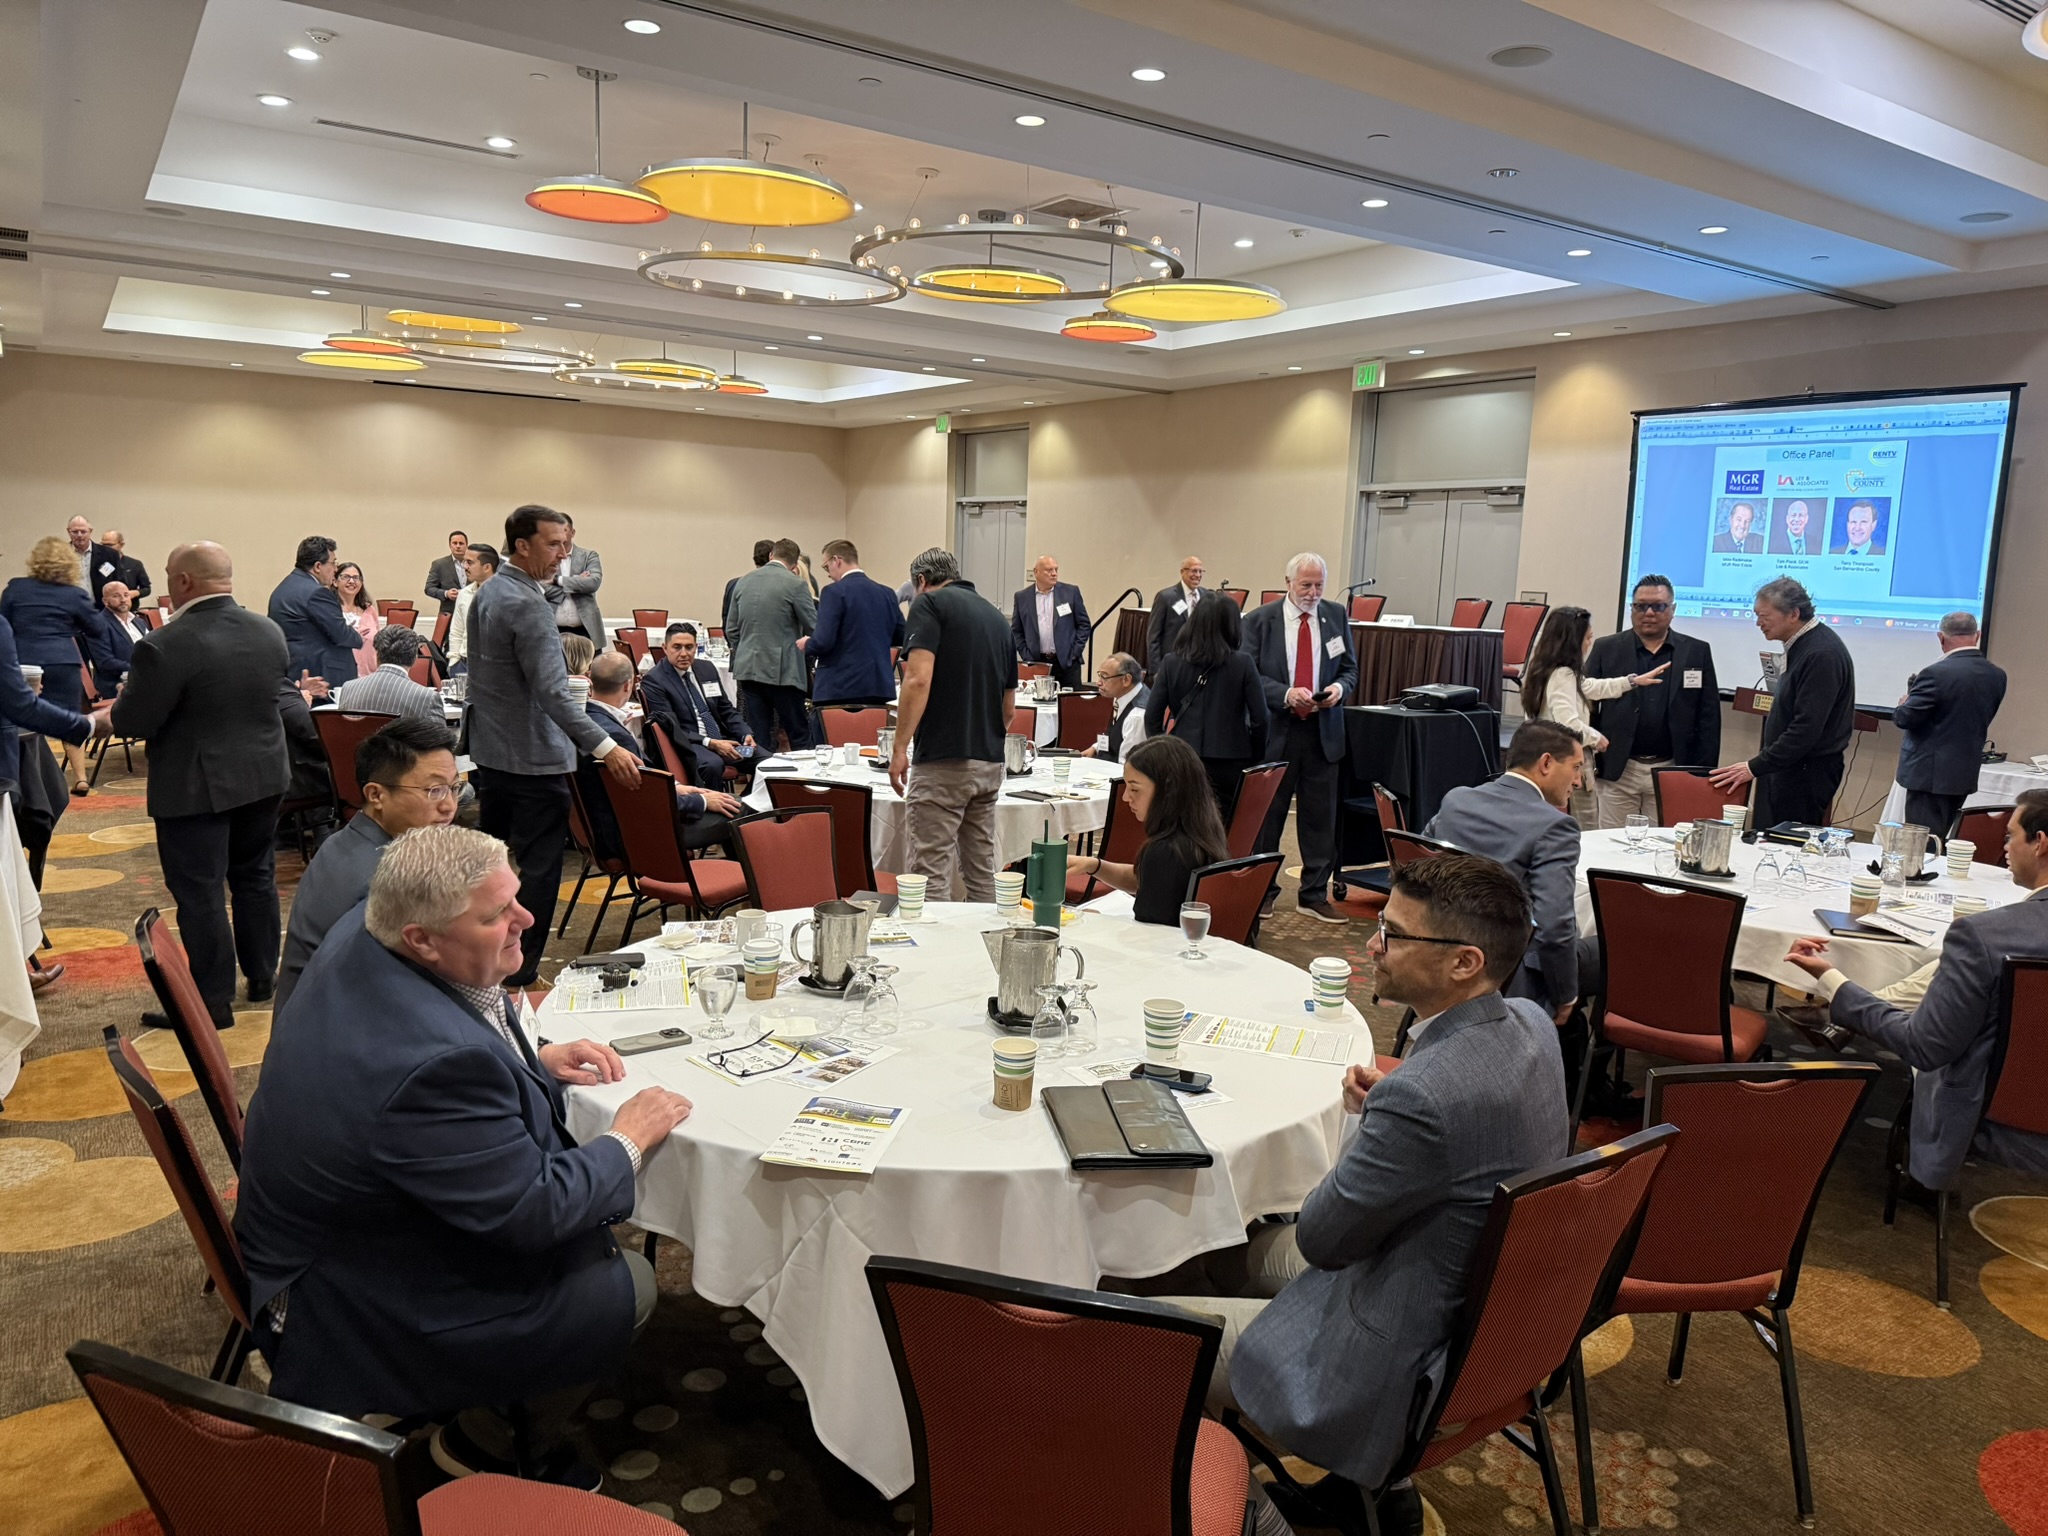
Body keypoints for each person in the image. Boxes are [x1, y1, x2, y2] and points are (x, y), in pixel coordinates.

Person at [234, 825, 694, 1485]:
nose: (526, 919)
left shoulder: (368, 928)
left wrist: (532, 1062)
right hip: (343, 1298)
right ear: (422, 937)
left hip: (324, 1229)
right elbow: (536, 1209)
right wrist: (629, 1136)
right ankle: (482, 1444)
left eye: (515, 898)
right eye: (496, 914)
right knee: (624, 1284)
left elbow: (449, 1049)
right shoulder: (436, 1066)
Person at [1162, 853, 1566, 1536]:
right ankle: (1372, 1496)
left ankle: (1252, 1519)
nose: (1372, 946)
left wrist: (1374, 1121)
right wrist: (1395, 1115)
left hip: (1390, 1355)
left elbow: (1324, 1238)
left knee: (1141, 1336)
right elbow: (1462, 1125)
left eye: (1395, 935)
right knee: (1229, 1245)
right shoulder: (1531, 1024)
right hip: (1491, 1327)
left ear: (1464, 962)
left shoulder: (1424, 1099)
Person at [1783, 789, 2048, 1195]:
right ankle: (1862, 1006)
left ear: (2040, 842)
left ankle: (1850, 1007)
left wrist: (1831, 980)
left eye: (2010, 835)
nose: (2005, 847)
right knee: (1941, 971)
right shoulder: (1990, 937)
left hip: (1994, 1115)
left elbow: (1924, 1047)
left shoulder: (1984, 936)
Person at [112, 542, 291, 1025]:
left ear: (184, 581)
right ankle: (262, 977)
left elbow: (134, 721)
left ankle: (212, 1003)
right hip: (265, 774)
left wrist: (125, 697)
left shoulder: (163, 644)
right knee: (255, 876)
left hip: (195, 785)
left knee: (201, 892)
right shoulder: (268, 630)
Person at [469, 504, 641, 988]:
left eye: (566, 543)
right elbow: (553, 693)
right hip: (532, 759)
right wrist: (607, 747)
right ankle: (520, 970)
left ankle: (485, 959)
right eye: (553, 544)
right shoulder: (527, 602)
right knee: (539, 872)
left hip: (492, 750)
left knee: (495, 869)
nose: (564, 554)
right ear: (521, 546)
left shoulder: (489, 590)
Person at [273, 716, 459, 1018]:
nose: (449, 805)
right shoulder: (391, 881)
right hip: (340, 1031)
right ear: (376, 795)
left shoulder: (342, 841)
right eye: (433, 790)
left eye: (454, 788)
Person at [1425, 720, 1592, 1029]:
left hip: (1437, 954)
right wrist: (1566, 996)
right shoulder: (1555, 826)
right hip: (1507, 974)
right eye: (1576, 767)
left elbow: (1418, 870)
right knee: (1603, 954)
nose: (1579, 781)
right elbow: (1554, 927)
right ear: (1546, 763)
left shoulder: (1456, 800)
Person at [889, 547, 1016, 901]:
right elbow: (1009, 708)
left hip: (942, 760)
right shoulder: (997, 618)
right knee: (981, 872)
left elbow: (917, 680)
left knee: (929, 875)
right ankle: (985, 937)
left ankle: (935, 940)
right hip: (989, 761)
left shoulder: (928, 605)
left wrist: (899, 748)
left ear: (921, 581)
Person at [1243, 553, 1357, 924]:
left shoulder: (1335, 616)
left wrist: (1339, 689)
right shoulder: (1260, 620)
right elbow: (1248, 676)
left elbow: (1350, 670)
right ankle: (1262, 891)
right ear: (1288, 583)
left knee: (1320, 818)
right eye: (1305, 585)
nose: (1312, 593)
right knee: (1268, 817)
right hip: (1279, 730)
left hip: (1323, 732)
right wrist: (1286, 694)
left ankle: (1313, 894)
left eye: (1319, 585)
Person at [1709, 577, 1854, 828]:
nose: (1758, 623)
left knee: (1791, 842)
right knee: (1779, 837)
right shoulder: (1802, 645)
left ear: (1793, 614)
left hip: (1806, 772)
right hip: (1792, 768)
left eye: (1764, 616)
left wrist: (1754, 767)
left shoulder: (1821, 653)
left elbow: (1805, 728)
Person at [1583, 574, 1722, 828]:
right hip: (1618, 769)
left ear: (1673, 609)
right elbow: (1587, 704)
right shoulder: (1607, 648)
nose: (1648, 613)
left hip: (1672, 768)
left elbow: (1709, 715)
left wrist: (1702, 773)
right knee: (1610, 842)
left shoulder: (1696, 651)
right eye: (1641, 606)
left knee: (1663, 843)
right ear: (1632, 609)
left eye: (1658, 606)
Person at [581, 653, 741, 855]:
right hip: (636, 833)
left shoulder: (586, 722)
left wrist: (677, 788)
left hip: (606, 826)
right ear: (628, 685)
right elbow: (645, 797)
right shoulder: (613, 736)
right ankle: (740, 874)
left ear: (590, 679)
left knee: (728, 802)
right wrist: (701, 802)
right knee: (740, 809)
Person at [1519, 606, 1666, 824]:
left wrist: (1632, 681)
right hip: (1566, 761)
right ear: (1573, 642)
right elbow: (1567, 724)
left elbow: (1591, 687)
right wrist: (1596, 738)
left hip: (1550, 759)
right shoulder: (1562, 674)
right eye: (1588, 638)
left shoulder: (1547, 670)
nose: (1589, 643)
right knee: (1584, 825)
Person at [1068, 736, 1228, 925]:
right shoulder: (1203, 830)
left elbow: (1148, 932)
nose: (1126, 797)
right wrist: (1093, 865)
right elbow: (1142, 879)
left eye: (1134, 789)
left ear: (1168, 790)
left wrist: (1099, 921)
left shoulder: (1166, 851)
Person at [2, 537, 118, 794]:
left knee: (22, 720)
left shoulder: (16, 588)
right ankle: (80, 778)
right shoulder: (74, 594)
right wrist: (69, 626)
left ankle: (25, 784)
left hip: (24, 662)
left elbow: (4, 624)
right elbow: (97, 629)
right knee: (68, 719)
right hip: (62, 662)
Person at [1146, 595, 1268, 815]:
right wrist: (1255, 753)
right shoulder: (1243, 663)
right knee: (1226, 824)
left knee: (1184, 820)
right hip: (1232, 757)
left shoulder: (1171, 662)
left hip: (1183, 756)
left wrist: (1163, 752)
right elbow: (1261, 718)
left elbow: (1152, 716)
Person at [1893, 613, 2005, 837]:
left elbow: (1906, 718)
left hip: (1928, 776)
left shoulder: (1935, 673)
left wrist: (1903, 704)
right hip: (1963, 772)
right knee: (1942, 836)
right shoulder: (1997, 675)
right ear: (1978, 635)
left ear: (1941, 637)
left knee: (1922, 841)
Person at [728, 537, 817, 750]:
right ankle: (801, 773)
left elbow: (731, 629)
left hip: (749, 670)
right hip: (784, 672)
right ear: (795, 564)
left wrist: (745, 650)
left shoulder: (743, 582)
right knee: (798, 734)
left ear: (771, 555)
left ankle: (761, 771)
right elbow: (814, 626)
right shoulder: (796, 584)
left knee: (759, 736)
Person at [640, 623, 754, 787]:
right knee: (712, 765)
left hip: (722, 738)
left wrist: (744, 734)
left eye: (689, 647)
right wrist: (711, 743)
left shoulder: (706, 668)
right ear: (665, 648)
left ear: (696, 647)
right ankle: (712, 803)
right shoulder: (655, 680)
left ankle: (748, 802)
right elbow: (671, 728)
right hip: (690, 742)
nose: (684, 654)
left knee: (764, 759)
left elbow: (725, 708)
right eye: (677, 647)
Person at [805, 538, 902, 707]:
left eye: (826, 567)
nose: (828, 574)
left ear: (836, 560)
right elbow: (901, 635)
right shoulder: (887, 593)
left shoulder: (833, 592)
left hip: (838, 688)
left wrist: (807, 644)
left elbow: (823, 641)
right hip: (878, 686)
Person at [268, 536, 359, 693]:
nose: (335, 569)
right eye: (333, 563)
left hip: (295, 672)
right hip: (318, 678)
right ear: (318, 566)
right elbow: (341, 634)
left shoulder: (282, 588)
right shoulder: (317, 593)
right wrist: (358, 637)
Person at [1009, 555, 1091, 689]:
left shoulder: (1071, 592)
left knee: (1069, 701)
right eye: (1049, 570)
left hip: (1067, 662)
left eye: (1056, 569)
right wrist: (1026, 656)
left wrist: (1075, 652)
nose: (1054, 573)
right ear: (1036, 572)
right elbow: (1016, 631)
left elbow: (1084, 625)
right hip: (1037, 663)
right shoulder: (1022, 597)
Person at [335, 627, 443, 722]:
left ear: (377, 655)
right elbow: (438, 739)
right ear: (415, 658)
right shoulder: (427, 698)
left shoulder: (348, 688)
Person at [1145, 555, 1206, 678]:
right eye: (1194, 571)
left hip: (1200, 663)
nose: (1198, 575)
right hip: (1173, 665)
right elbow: (1153, 636)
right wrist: (1156, 670)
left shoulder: (1207, 596)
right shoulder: (1166, 597)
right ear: (1182, 572)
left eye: (1201, 571)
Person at [1084, 652, 1150, 765]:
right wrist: (1095, 748)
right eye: (1099, 675)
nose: (1098, 683)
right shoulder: (1124, 696)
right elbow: (1117, 735)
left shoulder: (1136, 716)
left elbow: (1127, 765)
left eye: (1105, 677)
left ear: (1126, 680)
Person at [546, 514, 603, 641]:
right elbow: (541, 588)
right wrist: (578, 581)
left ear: (572, 533)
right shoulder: (543, 558)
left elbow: (593, 583)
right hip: (553, 630)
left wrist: (557, 580)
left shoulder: (589, 556)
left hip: (585, 630)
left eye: (564, 530)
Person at [446, 541, 496, 671]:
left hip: (495, 666)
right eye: (464, 562)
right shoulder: (464, 594)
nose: (465, 566)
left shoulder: (506, 595)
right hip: (464, 664)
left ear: (487, 567)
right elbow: (457, 630)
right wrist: (454, 662)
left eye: (470, 562)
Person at [93, 581, 145, 699]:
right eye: (116, 596)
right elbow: (106, 662)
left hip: (145, 677)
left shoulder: (139, 621)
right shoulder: (99, 624)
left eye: (126, 595)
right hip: (118, 683)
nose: (123, 600)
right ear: (105, 601)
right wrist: (141, 668)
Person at [334, 561, 379, 677]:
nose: (351, 581)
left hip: (369, 674)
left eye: (356, 578)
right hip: (340, 674)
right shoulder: (330, 611)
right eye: (345, 577)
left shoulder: (369, 610)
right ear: (335, 581)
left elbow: (378, 643)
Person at [65, 517, 119, 605]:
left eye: (83, 532)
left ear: (90, 531)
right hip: (70, 606)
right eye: (75, 532)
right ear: (68, 531)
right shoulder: (60, 555)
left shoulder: (109, 555)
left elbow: (118, 581)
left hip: (101, 607)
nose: (79, 535)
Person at [724, 539, 774, 633]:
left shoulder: (734, 584)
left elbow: (727, 623)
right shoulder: (779, 586)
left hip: (740, 639)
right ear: (772, 557)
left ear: (754, 559)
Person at [425, 529, 469, 614]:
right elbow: (429, 588)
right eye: (455, 543)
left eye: (461, 543)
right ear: (450, 545)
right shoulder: (440, 565)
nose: (458, 546)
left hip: (471, 613)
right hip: (449, 613)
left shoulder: (474, 563)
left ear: (467, 545)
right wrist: (446, 594)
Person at [100, 530, 151, 599]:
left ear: (121, 545)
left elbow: (147, 589)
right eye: (103, 545)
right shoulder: (98, 564)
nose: (106, 548)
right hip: (105, 604)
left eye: (110, 545)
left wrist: (135, 593)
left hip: (130, 604)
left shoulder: (135, 564)